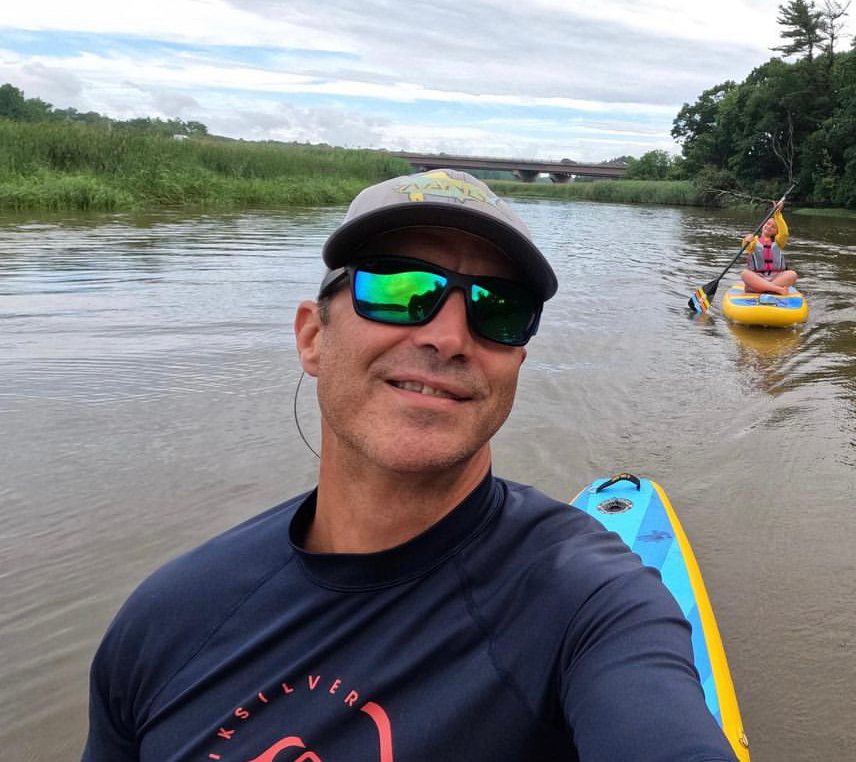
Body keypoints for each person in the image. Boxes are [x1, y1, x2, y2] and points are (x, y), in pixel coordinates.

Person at [81, 168, 737, 762]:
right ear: (313, 336)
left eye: (498, 309)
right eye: (398, 288)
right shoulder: (166, 622)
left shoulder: (589, 606)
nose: (449, 339)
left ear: (515, 366)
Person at [739, 199, 797, 295]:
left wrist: (777, 213)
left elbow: (784, 233)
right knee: (744, 274)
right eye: (768, 224)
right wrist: (746, 240)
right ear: (763, 225)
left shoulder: (779, 242)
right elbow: (747, 247)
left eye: (773, 227)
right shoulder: (753, 239)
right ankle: (776, 289)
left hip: (776, 277)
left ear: (776, 232)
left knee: (792, 274)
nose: (769, 227)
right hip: (758, 276)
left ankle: (760, 288)